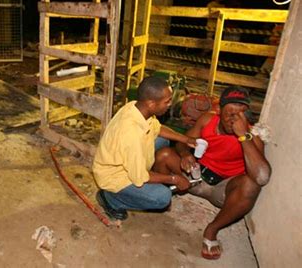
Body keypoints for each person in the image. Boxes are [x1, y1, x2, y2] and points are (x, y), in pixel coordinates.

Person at [154, 86, 271, 260]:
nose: (234, 119)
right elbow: (183, 142)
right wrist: (186, 154)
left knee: (250, 185)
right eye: (230, 113)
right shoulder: (207, 120)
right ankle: (163, 198)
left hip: (222, 190)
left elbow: (262, 177)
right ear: (219, 110)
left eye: (240, 114)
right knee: (164, 155)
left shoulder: (251, 135)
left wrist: (242, 135)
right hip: (196, 177)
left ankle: (212, 230)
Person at [93, 76, 197, 222]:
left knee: (163, 140)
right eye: (167, 101)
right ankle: (110, 199)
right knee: (162, 198)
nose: (170, 104)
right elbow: (140, 177)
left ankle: (152, 177)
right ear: (151, 103)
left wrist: (186, 139)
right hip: (114, 176)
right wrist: (173, 179)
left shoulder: (137, 108)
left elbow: (158, 128)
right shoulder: (131, 132)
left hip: (128, 157)